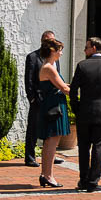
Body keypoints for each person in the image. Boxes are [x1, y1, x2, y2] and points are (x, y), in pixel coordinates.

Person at [70, 36, 101, 192]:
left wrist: (76, 108)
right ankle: (93, 181)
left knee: (84, 147)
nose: (84, 50)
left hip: (85, 112)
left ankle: (83, 180)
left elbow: (73, 90)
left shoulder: (83, 66)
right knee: (99, 147)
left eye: (86, 47)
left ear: (93, 47)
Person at [23, 30, 65, 169]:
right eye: (48, 41)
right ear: (43, 42)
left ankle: (49, 156)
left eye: (53, 40)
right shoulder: (33, 57)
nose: (51, 43)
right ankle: (30, 157)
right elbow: (29, 81)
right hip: (39, 99)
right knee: (33, 128)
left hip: (51, 101)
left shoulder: (55, 59)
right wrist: (33, 99)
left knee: (50, 131)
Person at [33, 39, 71, 188]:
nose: (61, 53)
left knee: (51, 141)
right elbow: (65, 89)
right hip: (53, 107)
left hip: (52, 105)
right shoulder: (49, 67)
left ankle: (45, 174)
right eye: (59, 50)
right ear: (52, 51)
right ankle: (48, 175)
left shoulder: (49, 66)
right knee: (52, 141)